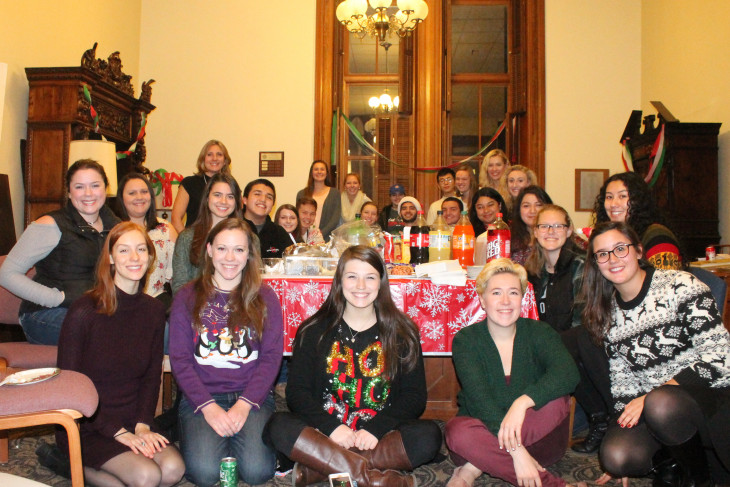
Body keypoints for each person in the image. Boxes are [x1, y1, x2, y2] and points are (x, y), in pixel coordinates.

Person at [264, 246, 442, 487]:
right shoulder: (313, 331)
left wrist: (375, 429)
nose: (361, 285)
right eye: (352, 276)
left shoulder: (403, 332)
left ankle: (316, 469)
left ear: (381, 283)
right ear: (339, 281)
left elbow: (414, 397)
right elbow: (297, 393)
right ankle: (373, 478)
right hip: (325, 434)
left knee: (429, 436)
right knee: (279, 425)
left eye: (370, 277)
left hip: (380, 435)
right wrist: (333, 428)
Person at [581, 222, 730, 487]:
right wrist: (620, 426)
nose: (612, 259)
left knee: (661, 402)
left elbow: (721, 357)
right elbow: (624, 384)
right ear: (596, 263)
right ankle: (674, 459)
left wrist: (652, 395)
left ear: (638, 251)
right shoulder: (608, 314)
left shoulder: (680, 286)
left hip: (713, 398)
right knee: (617, 455)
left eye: (620, 249)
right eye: (602, 254)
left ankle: (698, 479)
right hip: (658, 409)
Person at [56, 221, 185, 487]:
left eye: (141, 249)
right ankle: (68, 464)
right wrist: (117, 432)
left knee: (172, 469)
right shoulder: (84, 310)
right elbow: (68, 387)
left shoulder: (153, 311)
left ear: (151, 256)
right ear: (111, 257)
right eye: (124, 250)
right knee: (146, 476)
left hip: (132, 417)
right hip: (90, 423)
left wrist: (142, 425)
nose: (134, 257)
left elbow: (151, 377)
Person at [169, 218, 284, 486]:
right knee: (204, 473)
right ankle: (213, 439)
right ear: (209, 250)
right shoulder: (187, 296)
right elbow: (181, 360)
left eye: (239, 250)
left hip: (250, 396)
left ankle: (235, 440)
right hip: (203, 396)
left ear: (248, 255)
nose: (229, 258)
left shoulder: (266, 297)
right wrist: (208, 408)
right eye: (222, 249)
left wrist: (244, 406)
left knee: (257, 472)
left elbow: (270, 359)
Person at [446, 258, 580, 487]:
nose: (506, 301)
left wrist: (522, 403)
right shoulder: (466, 340)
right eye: (496, 293)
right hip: (485, 432)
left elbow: (568, 373)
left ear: (523, 298)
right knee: (457, 431)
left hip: (536, 439)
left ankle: (473, 466)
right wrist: (517, 452)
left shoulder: (539, 332)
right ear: (482, 300)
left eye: (514, 293)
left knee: (558, 401)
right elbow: (480, 402)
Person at [0, 159, 120, 345]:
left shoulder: (117, 228)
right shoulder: (50, 224)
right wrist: (56, 298)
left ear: (106, 188)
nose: (88, 193)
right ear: (69, 192)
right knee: (107, 335)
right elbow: (6, 273)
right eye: (79, 187)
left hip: (96, 311)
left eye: (95, 185)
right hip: (45, 314)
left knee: (153, 327)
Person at [593, 171, 682, 270]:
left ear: (638, 200)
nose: (613, 204)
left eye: (622, 196)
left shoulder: (657, 236)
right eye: (609, 197)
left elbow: (666, 282)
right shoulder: (616, 236)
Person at [171, 173, 242, 294]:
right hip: (196, 308)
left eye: (230, 196)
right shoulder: (187, 238)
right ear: (207, 198)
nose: (223, 201)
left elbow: (253, 282)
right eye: (217, 195)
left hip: (237, 307)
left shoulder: (249, 238)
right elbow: (179, 286)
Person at [116, 172, 177, 305]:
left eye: (144, 192)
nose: (139, 197)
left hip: (158, 300)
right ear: (122, 198)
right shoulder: (114, 231)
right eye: (132, 193)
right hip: (120, 301)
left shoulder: (166, 229)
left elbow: (175, 277)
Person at [171, 140, 232, 233]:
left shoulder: (231, 185)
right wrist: (187, 241)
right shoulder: (189, 183)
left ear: (225, 161)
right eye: (209, 154)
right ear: (203, 159)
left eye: (219, 154)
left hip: (224, 242)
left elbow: (237, 217)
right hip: (194, 241)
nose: (214, 158)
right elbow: (176, 218)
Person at [243, 178, 294, 258]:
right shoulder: (232, 227)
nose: (263, 199)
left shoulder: (279, 233)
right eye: (257, 194)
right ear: (245, 200)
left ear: (273, 205)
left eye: (269, 197)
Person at [296, 160, 341, 240]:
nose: (319, 172)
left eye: (322, 169)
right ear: (311, 173)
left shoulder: (335, 193)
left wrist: (318, 235)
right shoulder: (301, 194)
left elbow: (335, 219)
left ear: (327, 173)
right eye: (316, 169)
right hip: (304, 239)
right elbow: (298, 216)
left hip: (326, 239)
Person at [511, 186, 553, 265]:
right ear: (519, 210)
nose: (533, 211)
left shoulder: (558, 235)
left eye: (538, 205)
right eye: (526, 206)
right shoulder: (509, 239)